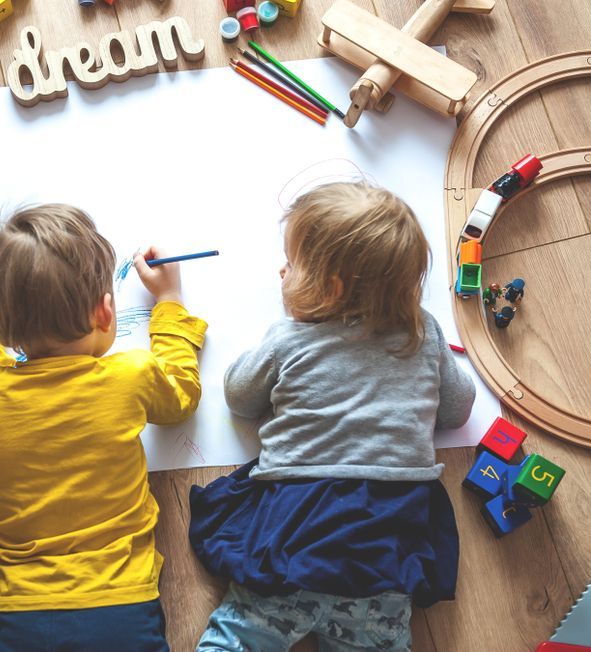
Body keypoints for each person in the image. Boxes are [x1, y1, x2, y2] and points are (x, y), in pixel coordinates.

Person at [190, 182, 475, 652]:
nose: (284, 272)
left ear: (331, 289)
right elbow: (458, 409)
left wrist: (286, 324)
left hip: (290, 532)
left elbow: (240, 397)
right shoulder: (423, 334)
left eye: (295, 266)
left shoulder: (291, 338)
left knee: (244, 631)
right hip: (384, 549)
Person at [0, 203, 207, 652]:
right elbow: (181, 395)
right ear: (105, 313)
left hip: (20, 607)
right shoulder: (131, 376)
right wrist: (169, 303)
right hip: (123, 600)